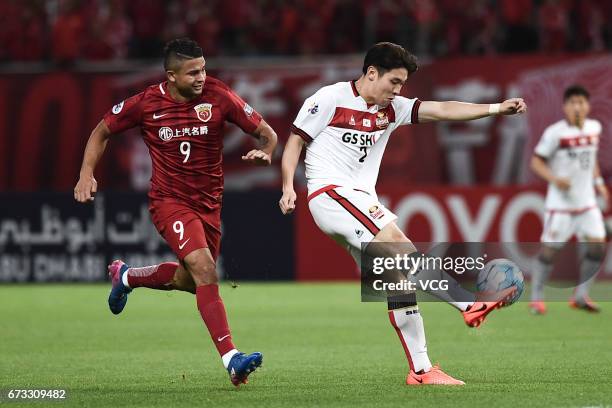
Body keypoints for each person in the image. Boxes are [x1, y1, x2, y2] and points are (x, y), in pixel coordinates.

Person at [279, 42, 526, 385]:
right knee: (397, 242)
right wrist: (288, 186)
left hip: (358, 199)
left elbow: (442, 110)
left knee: (397, 278)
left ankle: (421, 371)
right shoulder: (329, 99)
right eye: (393, 82)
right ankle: (468, 304)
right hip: (330, 194)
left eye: (402, 85)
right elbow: (294, 142)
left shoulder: (392, 109)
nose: (397, 91)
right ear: (371, 73)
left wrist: (496, 108)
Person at [74, 38, 277, 386]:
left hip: (210, 205)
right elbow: (102, 130)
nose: (201, 77)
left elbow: (266, 133)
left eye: (203, 69)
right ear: (171, 76)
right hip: (169, 202)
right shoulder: (146, 104)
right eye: (192, 72)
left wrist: (267, 150)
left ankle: (126, 277)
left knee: (191, 280)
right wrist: (85, 173)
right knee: (204, 269)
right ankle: (232, 359)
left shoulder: (219, 95)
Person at [529, 85, 608, 314]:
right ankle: (536, 298)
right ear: (564, 107)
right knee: (549, 252)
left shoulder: (594, 127)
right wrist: (555, 179)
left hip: (587, 204)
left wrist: (599, 183)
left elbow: (590, 159)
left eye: (581, 102)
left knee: (597, 247)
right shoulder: (555, 133)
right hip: (561, 206)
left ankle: (581, 296)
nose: (577, 107)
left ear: (588, 106)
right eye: (572, 102)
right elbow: (536, 162)